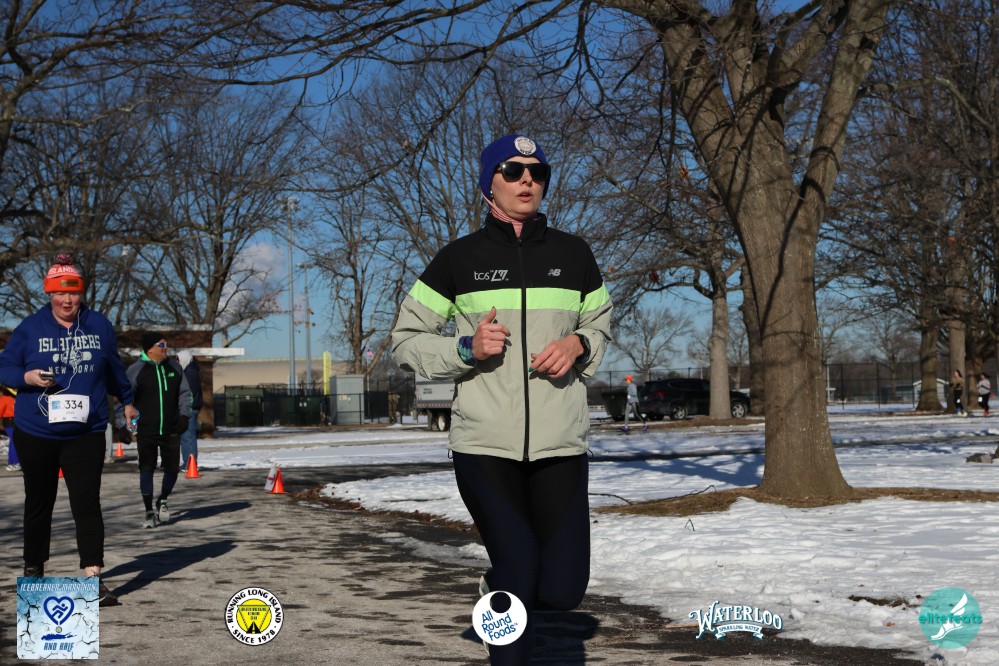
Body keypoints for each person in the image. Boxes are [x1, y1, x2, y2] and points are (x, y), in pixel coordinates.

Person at [391, 134, 612, 665]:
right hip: (484, 445)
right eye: (512, 171)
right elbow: (404, 341)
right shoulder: (458, 259)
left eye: (537, 172)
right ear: (489, 184)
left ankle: (496, 590)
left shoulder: (574, 255)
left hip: (560, 443)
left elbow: (599, 325)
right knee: (519, 572)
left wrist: (578, 344)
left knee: (562, 589)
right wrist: (465, 348)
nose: (527, 180)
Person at [0, 254, 137, 605]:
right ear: (49, 294)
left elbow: (114, 370)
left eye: (73, 293)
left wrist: (127, 400)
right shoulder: (29, 328)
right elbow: (4, 368)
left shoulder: (99, 325)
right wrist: (27, 377)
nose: (67, 301)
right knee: (39, 502)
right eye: (60, 294)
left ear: (81, 294)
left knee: (87, 502)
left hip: (85, 431)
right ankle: (34, 571)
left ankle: (94, 577)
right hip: (37, 431)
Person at [126, 333, 190, 528]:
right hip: (146, 430)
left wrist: (184, 416)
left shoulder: (175, 368)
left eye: (166, 344)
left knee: (172, 469)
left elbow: (185, 393)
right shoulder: (135, 370)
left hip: (171, 428)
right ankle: (148, 512)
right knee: (147, 469)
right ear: (149, 349)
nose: (166, 348)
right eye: (161, 345)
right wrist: (126, 426)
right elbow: (126, 399)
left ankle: (163, 499)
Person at [176, 350, 203, 471]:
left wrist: (185, 408)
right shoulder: (189, 371)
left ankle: (190, 462)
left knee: (188, 436)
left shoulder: (190, 372)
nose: (177, 363)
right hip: (188, 407)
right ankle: (187, 461)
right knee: (185, 436)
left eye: (178, 360)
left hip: (189, 408)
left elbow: (189, 392)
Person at [2, 385, 18, 471]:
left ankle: (11, 462)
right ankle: (15, 462)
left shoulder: (15, 398)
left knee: (13, 442)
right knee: (14, 442)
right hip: (9, 422)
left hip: (15, 422)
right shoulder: (5, 399)